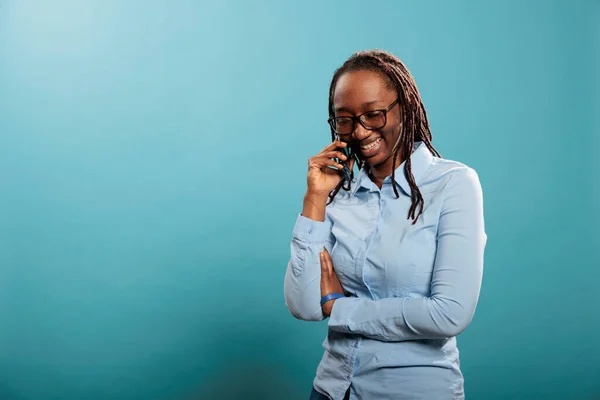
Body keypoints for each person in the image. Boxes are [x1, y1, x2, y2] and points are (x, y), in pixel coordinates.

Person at [283, 49, 487, 400]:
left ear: (404, 107)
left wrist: (339, 307)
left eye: (373, 115)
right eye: (344, 120)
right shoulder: (338, 194)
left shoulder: (453, 185)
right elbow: (303, 305)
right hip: (332, 389)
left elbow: (449, 314)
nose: (360, 132)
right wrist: (314, 199)